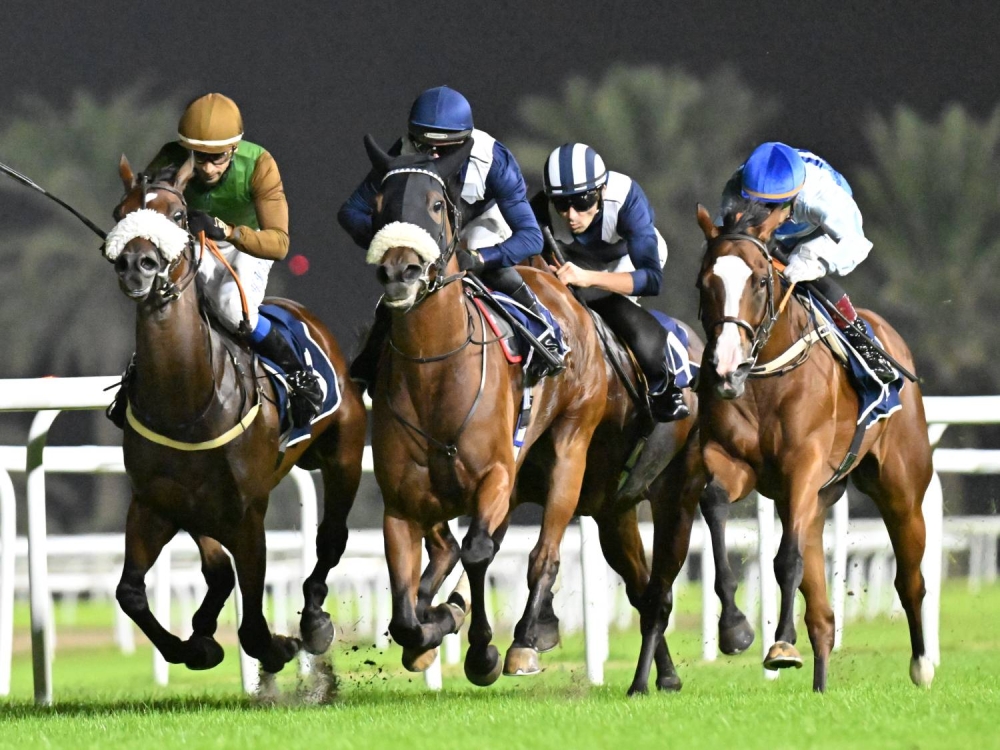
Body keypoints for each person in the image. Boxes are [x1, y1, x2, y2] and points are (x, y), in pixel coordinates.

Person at [111, 92, 322, 428]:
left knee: (233, 309)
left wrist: (228, 230)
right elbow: (147, 208)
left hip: (248, 246)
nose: (207, 168)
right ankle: (137, 374)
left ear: (234, 148)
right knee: (164, 296)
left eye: (217, 158)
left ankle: (299, 374)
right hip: (194, 243)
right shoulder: (170, 157)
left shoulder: (260, 164)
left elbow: (280, 244)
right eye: (200, 157)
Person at [339, 85, 563, 391]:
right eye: (423, 146)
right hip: (431, 229)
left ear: (464, 141)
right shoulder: (402, 151)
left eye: (444, 149)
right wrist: (391, 241)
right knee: (401, 282)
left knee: (490, 265)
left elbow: (531, 236)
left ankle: (544, 330)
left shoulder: (493, 160)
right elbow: (351, 211)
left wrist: (480, 258)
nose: (433, 155)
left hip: (478, 223)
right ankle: (372, 355)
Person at [532, 142, 689, 422]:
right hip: (576, 263)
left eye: (583, 202)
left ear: (602, 190)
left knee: (615, 311)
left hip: (628, 260)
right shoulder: (540, 209)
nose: (571, 215)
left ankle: (665, 383)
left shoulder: (627, 198)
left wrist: (587, 278)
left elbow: (651, 280)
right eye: (562, 204)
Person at [718, 141, 896, 383]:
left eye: (766, 208)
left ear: (789, 202)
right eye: (753, 205)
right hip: (781, 221)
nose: (758, 213)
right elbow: (723, 239)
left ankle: (862, 340)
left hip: (817, 229)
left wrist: (817, 264)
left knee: (804, 270)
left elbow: (856, 243)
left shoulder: (821, 196)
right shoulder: (736, 190)